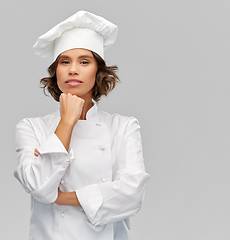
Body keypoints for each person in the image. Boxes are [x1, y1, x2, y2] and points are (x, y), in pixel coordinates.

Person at [14, 10, 150, 240]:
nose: (73, 69)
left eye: (84, 62)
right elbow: (38, 185)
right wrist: (67, 121)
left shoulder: (123, 127)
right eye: (64, 62)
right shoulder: (31, 128)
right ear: (55, 71)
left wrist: (60, 197)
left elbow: (132, 194)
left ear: (98, 70)